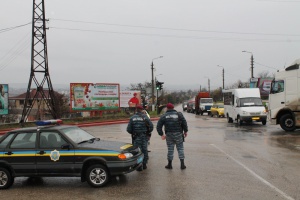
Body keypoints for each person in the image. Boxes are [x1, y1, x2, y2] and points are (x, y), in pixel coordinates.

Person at [156, 103, 188, 170]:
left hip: (169, 135)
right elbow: (184, 123)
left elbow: (158, 126)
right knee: (180, 149)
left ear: (167, 108)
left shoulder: (164, 116)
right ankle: (182, 164)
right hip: (179, 134)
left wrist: (161, 134)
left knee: (170, 149)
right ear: (173, 108)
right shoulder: (179, 114)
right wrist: (185, 131)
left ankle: (169, 165)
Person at [127, 105, 153, 171]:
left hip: (136, 137)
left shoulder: (132, 118)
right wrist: (147, 132)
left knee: (138, 151)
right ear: (141, 110)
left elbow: (128, 129)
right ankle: (144, 164)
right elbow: (151, 127)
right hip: (144, 136)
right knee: (144, 150)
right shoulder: (145, 117)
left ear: (136, 109)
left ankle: (139, 166)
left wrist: (133, 133)